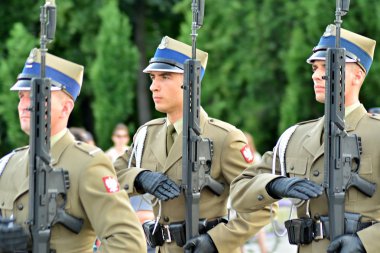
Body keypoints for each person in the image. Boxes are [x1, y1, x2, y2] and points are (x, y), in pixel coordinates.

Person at [114, 36, 274, 253]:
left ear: (191, 80)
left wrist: (217, 241)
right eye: (153, 77)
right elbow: (107, 179)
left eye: (165, 76)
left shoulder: (224, 137)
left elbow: (263, 204)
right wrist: (139, 178)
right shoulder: (146, 135)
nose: (153, 86)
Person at [230, 24, 379, 253]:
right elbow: (239, 192)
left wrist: (366, 242)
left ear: (358, 75)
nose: (317, 74)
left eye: (329, 66)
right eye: (315, 67)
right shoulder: (294, 138)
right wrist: (274, 185)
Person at [0, 48, 146, 252]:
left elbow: (128, 243)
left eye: (36, 95)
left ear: (66, 107)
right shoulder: (7, 165)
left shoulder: (87, 164)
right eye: (21, 96)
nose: (24, 104)